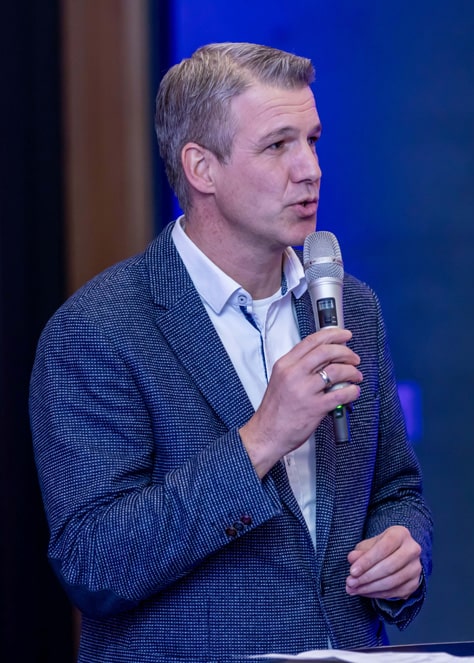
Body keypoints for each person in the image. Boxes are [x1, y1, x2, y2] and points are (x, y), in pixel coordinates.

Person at [30, 42, 432, 663]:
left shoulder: (350, 305)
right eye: (277, 145)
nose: (310, 169)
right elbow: (94, 563)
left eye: (313, 141)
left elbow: (395, 486)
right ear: (201, 168)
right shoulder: (98, 329)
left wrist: (403, 548)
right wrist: (261, 439)